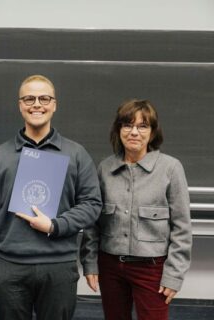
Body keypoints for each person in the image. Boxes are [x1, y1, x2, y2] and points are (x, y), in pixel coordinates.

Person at [0, 74, 102, 320]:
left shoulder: (76, 154)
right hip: (8, 267)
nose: (37, 104)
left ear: (54, 104)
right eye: (29, 98)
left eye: (44, 98)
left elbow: (92, 205)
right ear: (20, 105)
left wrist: (56, 225)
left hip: (59, 266)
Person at [81, 99, 192, 320]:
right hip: (110, 266)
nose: (134, 132)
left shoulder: (170, 168)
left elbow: (182, 228)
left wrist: (174, 275)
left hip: (152, 269)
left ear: (152, 132)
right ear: (118, 130)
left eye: (142, 126)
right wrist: (90, 263)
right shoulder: (105, 168)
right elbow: (93, 224)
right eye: (127, 125)